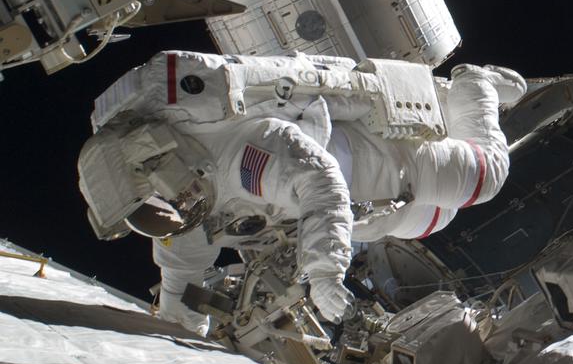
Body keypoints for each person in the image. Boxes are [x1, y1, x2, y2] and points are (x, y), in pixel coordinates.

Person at [77, 56, 525, 332]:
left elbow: (320, 179)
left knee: (483, 179)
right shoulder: (171, 206)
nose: (168, 218)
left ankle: (474, 83)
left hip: (379, 159)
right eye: (151, 218)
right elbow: (180, 269)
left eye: (162, 208)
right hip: (354, 211)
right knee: (435, 219)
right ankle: (459, 106)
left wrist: (324, 273)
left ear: (166, 165)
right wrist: (182, 326)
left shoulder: (244, 155)